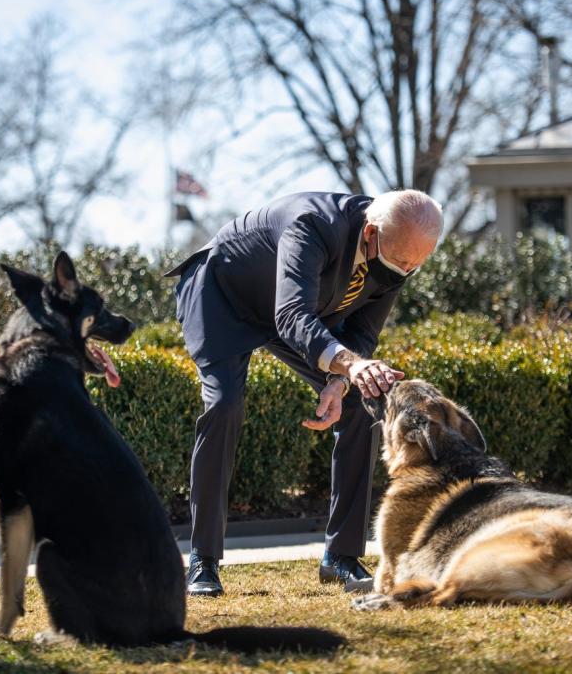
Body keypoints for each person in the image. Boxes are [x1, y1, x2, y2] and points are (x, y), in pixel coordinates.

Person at [165, 189, 442, 596]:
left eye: (416, 264)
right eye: (402, 262)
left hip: (293, 313)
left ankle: (340, 558)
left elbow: (363, 332)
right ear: (369, 233)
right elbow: (291, 314)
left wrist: (340, 380)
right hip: (222, 296)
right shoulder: (312, 225)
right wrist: (349, 364)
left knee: (361, 406)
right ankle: (202, 561)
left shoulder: (398, 249)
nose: (406, 271)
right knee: (224, 404)